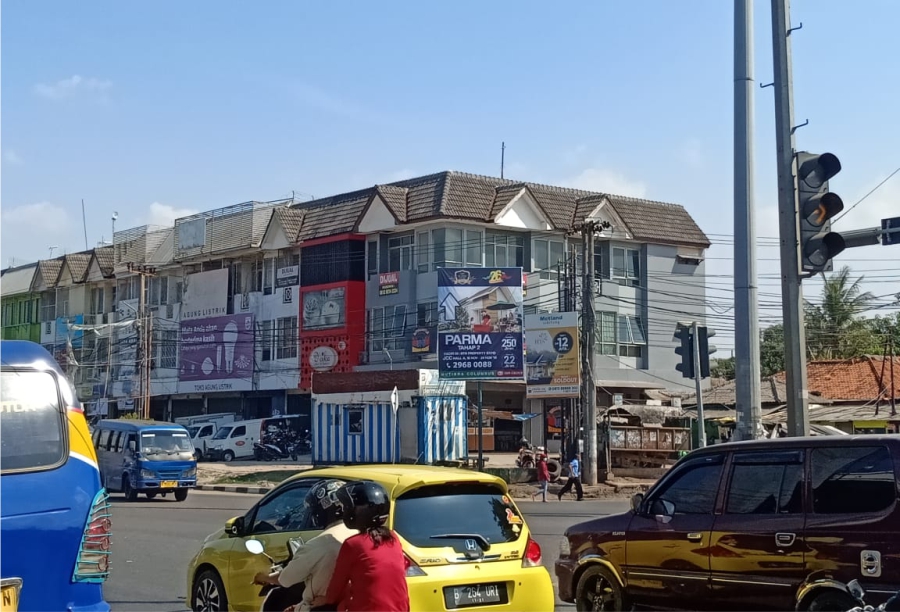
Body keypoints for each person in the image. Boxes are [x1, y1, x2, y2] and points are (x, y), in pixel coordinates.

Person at [253, 479, 357, 612]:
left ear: (321, 511)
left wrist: (265, 577)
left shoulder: (319, 544)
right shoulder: (363, 537)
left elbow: (286, 579)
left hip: (320, 607)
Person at [324, 481, 410, 612]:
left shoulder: (353, 544)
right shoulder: (393, 538)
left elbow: (334, 592)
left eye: (347, 507)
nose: (344, 510)